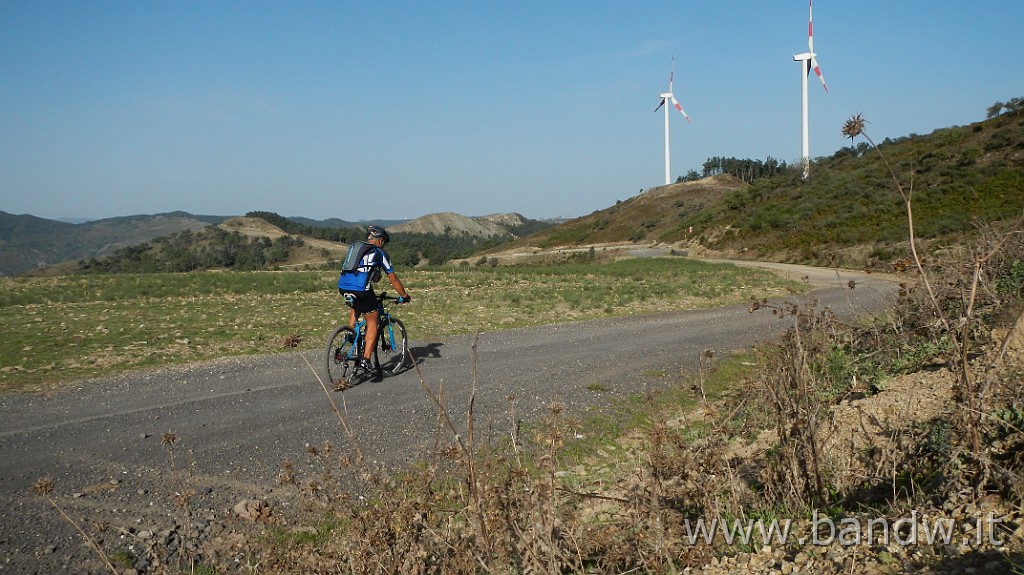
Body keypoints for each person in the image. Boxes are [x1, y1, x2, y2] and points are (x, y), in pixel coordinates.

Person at [337, 225, 411, 381]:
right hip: (361, 289)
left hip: (343, 286)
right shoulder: (379, 253)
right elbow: (393, 278)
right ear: (381, 240)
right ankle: (365, 360)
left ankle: (350, 335)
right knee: (373, 322)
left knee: (357, 307)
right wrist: (404, 295)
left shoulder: (358, 249)